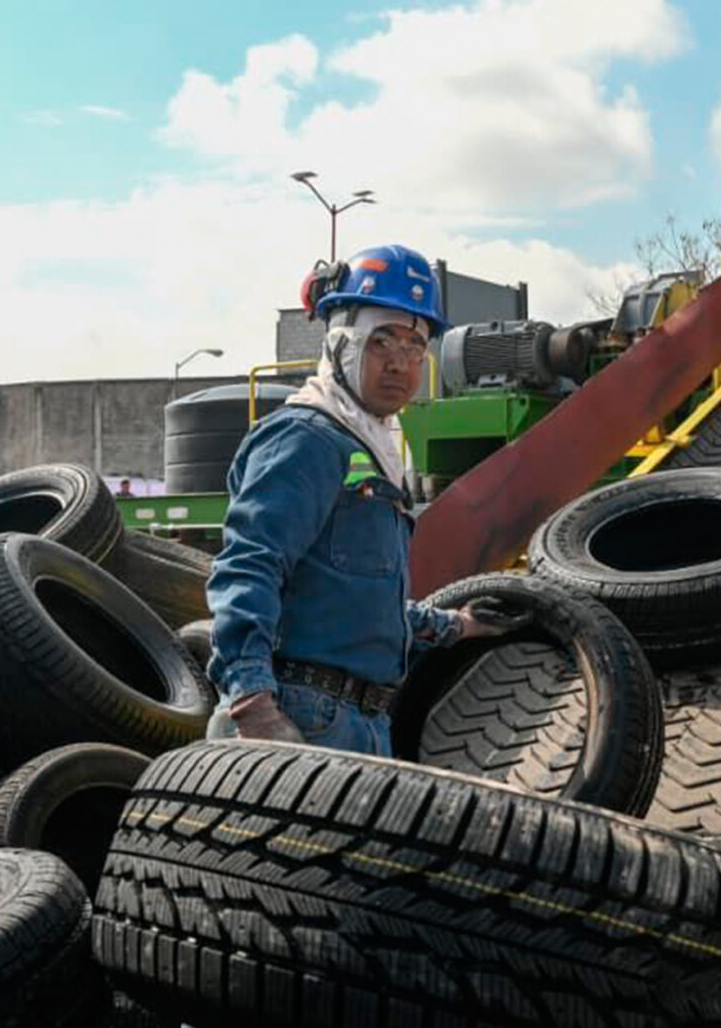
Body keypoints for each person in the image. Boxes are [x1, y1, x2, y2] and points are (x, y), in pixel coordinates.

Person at [203, 245, 522, 755]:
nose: (400, 364)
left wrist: (458, 625)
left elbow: (361, 604)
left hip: (361, 721)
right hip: (298, 712)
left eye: (415, 348)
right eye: (381, 342)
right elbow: (248, 568)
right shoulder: (305, 439)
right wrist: (252, 705)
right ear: (340, 344)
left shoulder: (371, 451)